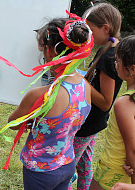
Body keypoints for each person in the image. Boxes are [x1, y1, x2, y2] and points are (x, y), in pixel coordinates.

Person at [6, 15, 93, 189]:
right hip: (67, 162)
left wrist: (32, 121)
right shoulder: (85, 86)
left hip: (40, 170)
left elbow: (13, 124)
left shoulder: (40, 95)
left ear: (50, 51)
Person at [70, 1, 123, 190]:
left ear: (105, 28)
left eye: (92, 30)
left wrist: (79, 79)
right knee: (84, 167)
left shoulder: (109, 56)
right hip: (93, 122)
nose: (89, 35)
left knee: (68, 169)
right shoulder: (108, 50)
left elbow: (105, 102)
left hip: (88, 124)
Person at [89, 35, 135, 190]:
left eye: (117, 61)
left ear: (132, 69)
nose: (115, 64)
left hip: (114, 171)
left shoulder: (124, 103)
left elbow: (132, 149)